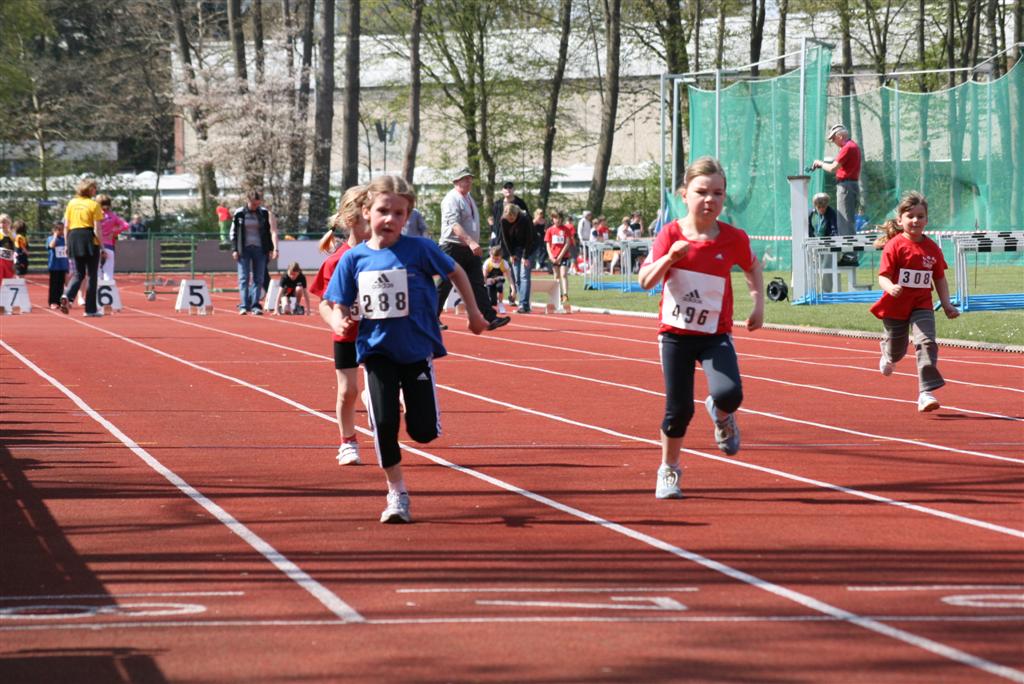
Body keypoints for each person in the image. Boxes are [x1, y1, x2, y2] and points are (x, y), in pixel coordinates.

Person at [324, 175, 488, 523]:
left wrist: (474, 313)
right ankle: (396, 493)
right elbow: (336, 301)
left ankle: (411, 416)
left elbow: (457, 272)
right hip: (376, 352)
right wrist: (339, 321)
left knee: (423, 431)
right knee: (384, 425)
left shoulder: (420, 249)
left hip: (416, 350)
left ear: (407, 216)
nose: (390, 219)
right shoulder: (354, 259)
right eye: (383, 211)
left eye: (399, 213)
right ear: (367, 212)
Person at [637, 156, 764, 500]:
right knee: (679, 410)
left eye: (718, 193)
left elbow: (752, 267)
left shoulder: (733, 238)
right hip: (675, 335)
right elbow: (645, 280)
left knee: (730, 394)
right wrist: (670, 259)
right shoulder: (670, 234)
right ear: (685, 194)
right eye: (702, 192)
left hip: (714, 335)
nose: (710, 200)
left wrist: (758, 303)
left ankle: (722, 416)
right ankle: (669, 469)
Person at [870, 191, 959, 413]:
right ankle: (887, 353)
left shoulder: (932, 248)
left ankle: (925, 392)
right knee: (897, 352)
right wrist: (891, 287)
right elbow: (882, 277)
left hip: (922, 304)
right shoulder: (895, 246)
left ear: (927, 220)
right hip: (896, 305)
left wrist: (947, 304)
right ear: (900, 220)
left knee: (926, 342)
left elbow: (939, 278)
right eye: (910, 216)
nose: (915, 220)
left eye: (920, 216)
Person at [309, 185, 370, 466]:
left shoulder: (387, 255)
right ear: (351, 220)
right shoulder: (337, 260)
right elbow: (324, 302)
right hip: (348, 334)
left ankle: (379, 409)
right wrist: (336, 320)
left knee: (386, 388)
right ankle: (348, 442)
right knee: (348, 391)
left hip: (379, 333)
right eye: (368, 216)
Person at [435, 168, 509, 331]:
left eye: (470, 179)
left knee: (477, 283)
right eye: (465, 179)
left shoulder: (468, 198)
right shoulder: (451, 199)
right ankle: (432, 318)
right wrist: (471, 242)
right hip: (452, 246)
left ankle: (490, 317)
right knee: (445, 283)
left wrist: (472, 243)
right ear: (456, 182)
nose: (469, 181)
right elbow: (454, 225)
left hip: (469, 248)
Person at [230, 189, 279, 315]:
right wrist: (234, 249)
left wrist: (271, 249)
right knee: (244, 278)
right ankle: (244, 305)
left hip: (260, 250)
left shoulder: (263, 213)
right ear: (248, 201)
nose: (255, 206)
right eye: (253, 204)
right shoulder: (239, 213)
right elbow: (233, 232)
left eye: (257, 204)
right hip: (244, 250)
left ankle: (255, 305)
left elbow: (268, 232)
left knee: (259, 278)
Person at [61, 178, 105, 317]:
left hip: (74, 237)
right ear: (89, 189)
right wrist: (102, 246)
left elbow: (66, 226)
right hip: (88, 237)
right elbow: (97, 228)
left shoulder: (71, 203)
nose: (96, 190)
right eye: (94, 188)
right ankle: (90, 310)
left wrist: (67, 244)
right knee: (92, 275)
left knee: (78, 273)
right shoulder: (94, 205)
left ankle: (68, 295)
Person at [811, 123, 862, 238]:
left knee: (844, 221)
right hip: (850, 185)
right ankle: (849, 247)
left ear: (840, 136)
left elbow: (832, 168)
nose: (833, 141)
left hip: (845, 187)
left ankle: (848, 248)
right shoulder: (853, 146)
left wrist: (820, 163)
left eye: (833, 138)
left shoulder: (847, 148)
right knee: (847, 219)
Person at [498, 203, 535, 313]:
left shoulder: (524, 219)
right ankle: (522, 303)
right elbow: (505, 238)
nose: (510, 221)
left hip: (528, 248)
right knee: (517, 278)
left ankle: (524, 305)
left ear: (516, 214)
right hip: (515, 249)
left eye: (512, 218)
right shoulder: (503, 220)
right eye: (508, 219)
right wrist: (511, 254)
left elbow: (529, 239)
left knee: (524, 276)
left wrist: (525, 256)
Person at [809, 192, 840, 292]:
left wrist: (833, 241)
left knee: (827, 267)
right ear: (815, 206)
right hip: (814, 244)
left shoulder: (831, 212)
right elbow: (809, 229)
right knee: (812, 267)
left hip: (829, 244)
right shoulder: (811, 214)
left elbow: (834, 229)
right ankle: (812, 290)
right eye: (819, 207)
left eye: (824, 207)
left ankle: (826, 292)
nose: (822, 209)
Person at [96, 194, 129, 281]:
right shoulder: (112, 215)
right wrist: (114, 232)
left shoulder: (95, 215)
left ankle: (97, 286)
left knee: (96, 269)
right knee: (108, 269)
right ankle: (108, 285)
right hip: (108, 245)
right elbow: (126, 225)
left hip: (96, 244)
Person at [545, 210, 573, 308]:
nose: (557, 220)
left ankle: (565, 294)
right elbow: (548, 244)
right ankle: (557, 294)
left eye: (559, 218)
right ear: (552, 219)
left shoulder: (566, 229)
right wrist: (551, 256)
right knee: (556, 276)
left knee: (563, 274)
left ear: (562, 219)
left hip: (564, 256)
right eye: (555, 218)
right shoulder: (549, 230)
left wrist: (560, 256)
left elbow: (567, 243)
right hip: (554, 257)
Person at [490, 181, 529, 248]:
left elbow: (527, 219)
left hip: (516, 240)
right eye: (506, 187)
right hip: (500, 238)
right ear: (502, 190)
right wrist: (493, 232)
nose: (508, 189)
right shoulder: (497, 204)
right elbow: (494, 220)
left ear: (514, 189)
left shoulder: (520, 203)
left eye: (510, 187)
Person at [482, 245, 515, 314]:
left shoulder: (504, 263)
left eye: (497, 259)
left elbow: (509, 278)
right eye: (493, 258)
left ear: (501, 256)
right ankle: (490, 305)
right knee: (493, 301)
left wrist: (513, 290)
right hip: (489, 281)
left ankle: (500, 304)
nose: (495, 261)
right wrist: (484, 286)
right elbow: (484, 277)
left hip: (499, 280)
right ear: (490, 255)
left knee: (500, 286)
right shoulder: (487, 263)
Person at [46, 222, 69, 309]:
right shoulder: (50, 238)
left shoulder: (64, 240)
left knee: (61, 285)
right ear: (54, 230)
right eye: (59, 229)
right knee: (54, 285)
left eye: (62, 229)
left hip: (62, 266)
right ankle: (53, 302)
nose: (61, 231)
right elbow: (51, 245)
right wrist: (55, 236)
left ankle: (59, 302)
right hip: (54, 266)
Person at [530, 208, 550, 274]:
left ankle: (541, 262)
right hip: (535, 238)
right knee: (537, 250)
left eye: (542, 213)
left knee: (544, 250)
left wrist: (546, 231)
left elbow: (546, 229)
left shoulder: (544, 221)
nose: (541, 215)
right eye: (540, 213)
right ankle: (537, 263)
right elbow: (531, 229)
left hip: (543, 237)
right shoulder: (534, 221)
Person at [0, 214, 16, 281]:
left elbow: (16, 248)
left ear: (9, 223)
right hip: (0, 260)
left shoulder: (13, 234)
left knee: (9, 280)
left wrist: (15, 262)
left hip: (9, 261)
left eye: (4, 222)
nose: (2, 224)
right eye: (1, 222)